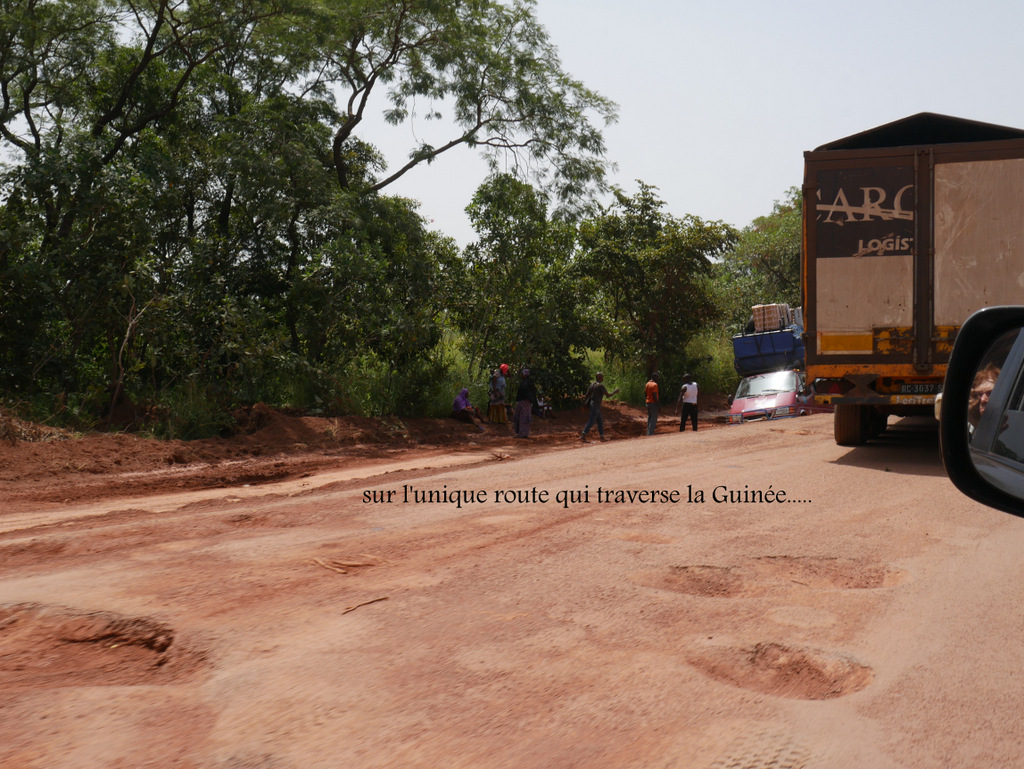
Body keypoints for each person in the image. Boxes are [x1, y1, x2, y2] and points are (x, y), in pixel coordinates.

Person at [580, 372, 620, 442]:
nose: (603, 378)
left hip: (593, 405)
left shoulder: (592, 385)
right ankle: (583, 435)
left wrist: (584, 404)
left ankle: (602, 437)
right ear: (598, 377)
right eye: (602, 377)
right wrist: (615, 392)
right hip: (596, 406)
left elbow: (587, 395)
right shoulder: (600, 386)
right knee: (592, 421)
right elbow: (608, 395)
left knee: (600, 421)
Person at [513, 368, 539, 438]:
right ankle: (521, 432)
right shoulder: (528, 383)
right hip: (525, 401)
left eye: (522, 374)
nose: (521, 375)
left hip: (525, 401)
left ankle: (523, 433)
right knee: (521, 416)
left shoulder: (526, 383)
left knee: (523, 417)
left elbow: (526, 393)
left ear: (525, 375)